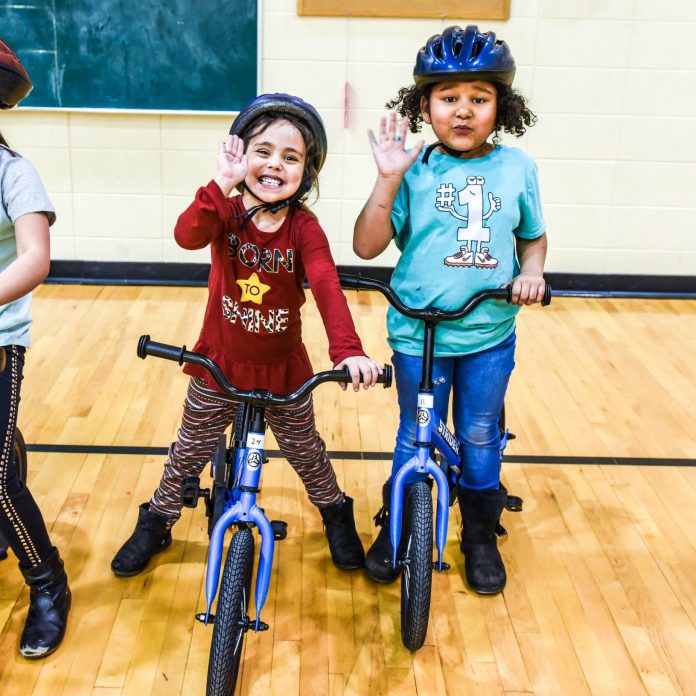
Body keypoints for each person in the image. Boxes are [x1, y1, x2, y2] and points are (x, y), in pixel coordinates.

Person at [112, 93, 382, 576]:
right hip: (218, 364)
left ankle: (336, 513)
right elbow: (186, 235)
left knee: (307, 452)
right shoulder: (225, 211)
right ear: (242, 156)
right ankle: (156, 520)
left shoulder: (305, 227)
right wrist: (221, 182)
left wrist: (348, 350)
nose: (275, 164)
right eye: (263, 151)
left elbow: (325, 283)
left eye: (291, 156)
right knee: (188, 451)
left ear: (307, 172)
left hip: (283, 371)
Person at [353, 26, 547, 594]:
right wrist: (388, 177)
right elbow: (367, 246)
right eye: (449, 98)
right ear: (424, 105)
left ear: (501, 107)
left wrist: (531, 272)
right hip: (418, 333)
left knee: (480, 433)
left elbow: (532, 237)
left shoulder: (517, 169)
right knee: (415, 434)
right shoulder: (411, 168)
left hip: (488, 332)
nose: (463, 111)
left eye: (479, 99)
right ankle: (398, 528)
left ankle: (479, 533)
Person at [0, 38, 71, 657]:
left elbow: (34, 257)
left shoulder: (14, 172)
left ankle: (48, 581)